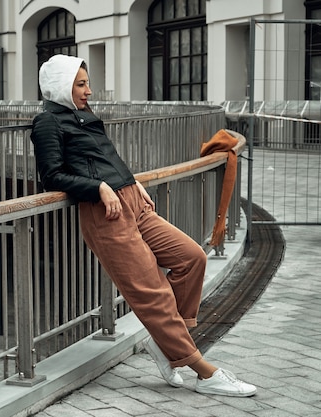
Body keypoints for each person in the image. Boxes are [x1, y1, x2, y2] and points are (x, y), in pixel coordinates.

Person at [30, 54, 256, 397]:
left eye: (87, 83)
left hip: (132, 203)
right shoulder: (48, 122)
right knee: (154, 294)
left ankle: (167, 345)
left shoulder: (84, 114)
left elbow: (106, 156)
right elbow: (51, 176)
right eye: (80, 85)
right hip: (104, 214)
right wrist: (99, 187)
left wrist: (130, 181)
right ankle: (204, 373)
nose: (89, 91)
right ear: (59, 87)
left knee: (192, 257)